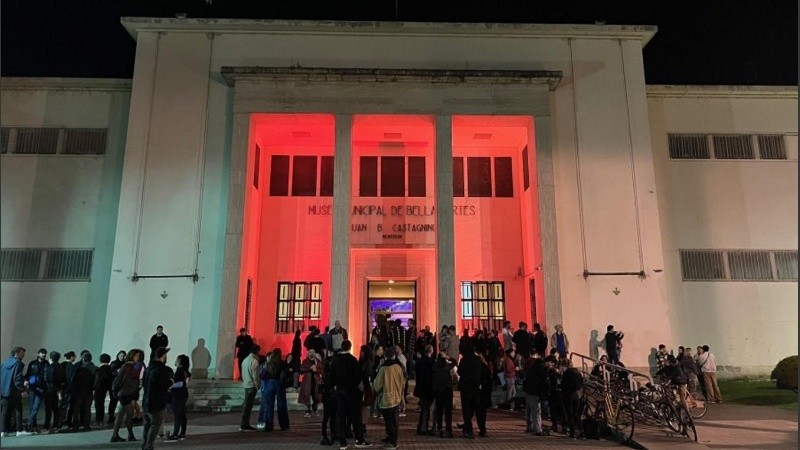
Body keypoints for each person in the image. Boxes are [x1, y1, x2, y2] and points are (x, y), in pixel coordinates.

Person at [329, 340, 369, 449]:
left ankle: (343, 442)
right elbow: (357, 377)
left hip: (340, 392)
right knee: (356, 417)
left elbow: (331, 376)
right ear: (350, 347)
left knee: (341, 417)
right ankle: (359, 439)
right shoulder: (352, 360)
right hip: (351, 392)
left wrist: (334, 386)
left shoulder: (335, 360)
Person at [141, 347, 173, 450]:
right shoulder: (162, 370)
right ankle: (149, 446)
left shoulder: (149, 368)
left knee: (147, 424)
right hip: (156, 401)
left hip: (146, 400)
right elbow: (162, 385)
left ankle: (144, 444)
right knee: (155, 424)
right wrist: (171, 382)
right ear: (163, 356)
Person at [373, 345, 404, 450]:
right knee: (395, 421)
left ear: (385, 357)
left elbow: (377, 385)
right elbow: (402, 383)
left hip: (386, 398)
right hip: (396, 397)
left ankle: (392, 442)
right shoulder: (398, 367)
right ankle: (393, 439)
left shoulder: (384, 368)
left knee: (389, 422)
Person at [110, 349, 142, 443]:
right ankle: (130, 435)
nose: (138, 358)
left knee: (120, 415)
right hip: (125, 393)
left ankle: (115, 436)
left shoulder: (129, 366)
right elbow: (120, 379)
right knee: (130, 414)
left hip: (126, 393)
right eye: (136, 356)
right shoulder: (127, 366)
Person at [1, 347, 30, 437]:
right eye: (22, 353)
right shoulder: (17, 363)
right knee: (18, 410)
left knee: (5, 411)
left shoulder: (4, 362)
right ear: (16, 353)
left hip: (4, 391)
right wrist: (23, 389)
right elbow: (17, 378)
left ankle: (3, 431)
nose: (23, 355)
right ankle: (19, 430)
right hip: (14, 391)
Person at [457, 343, 484, 439]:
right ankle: (481, 429)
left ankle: (468, 430)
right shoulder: (477, 360)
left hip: (466, 387)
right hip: (475, 387)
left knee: (466, 409)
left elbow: (459, 371)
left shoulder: (464, 360)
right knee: (475, 408)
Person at [165, 354, 190, 441]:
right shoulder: (186, 371)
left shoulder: (180, 370)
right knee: (182, 414)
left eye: (177, 359)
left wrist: (170, 386)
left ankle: (175, 434)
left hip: (178, 395)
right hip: (184, 394)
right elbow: (186, 383)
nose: (175, 361)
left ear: (180, 361)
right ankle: (182, 433)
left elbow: (180, 383)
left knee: (177, 415)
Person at [523, 354, 550, 436]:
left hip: (528, 391)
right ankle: (538, 429)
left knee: (529, 411)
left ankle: (529, 427)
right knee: (537, 411)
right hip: (536, 393)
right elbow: (544, 382)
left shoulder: (531, 369)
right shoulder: (543, 370)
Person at [71, 352, 97, 431]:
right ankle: (86, 425)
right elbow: (96, 381)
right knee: (87, 409)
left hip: (79, 391)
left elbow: (73, 380)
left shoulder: (79, 368)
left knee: (77, 409)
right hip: (89, 391)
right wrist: (93, 388)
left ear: (83, 358)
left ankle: (75, 425)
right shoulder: (95, 368)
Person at [432, 352, 455, 438]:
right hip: (447, 390)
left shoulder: (434, 367)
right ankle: (448, 429)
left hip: (438, 390)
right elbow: (455, 362)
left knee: (439, 410)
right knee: (448, 411)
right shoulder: (446, 367)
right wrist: (448, 357)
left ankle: (440, 429)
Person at [24, 348, 48, 433]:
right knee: (31, 407)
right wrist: (26, 381)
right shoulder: (32, 363)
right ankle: (33, 425)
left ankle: (29, 423)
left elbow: (47, 377)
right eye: (42, 353)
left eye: (44, 353)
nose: (43, 354)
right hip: (32, 388)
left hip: (41, 388)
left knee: (36, 407)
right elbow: (28, 373)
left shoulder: (46, 364)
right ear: (38, 354)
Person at [413, 344, 434, 436]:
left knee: (423, 408)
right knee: (426, 409)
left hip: (420, 387)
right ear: (431, 351)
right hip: (427, 388)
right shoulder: (430, 362)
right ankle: (423, 428)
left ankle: (421, 426)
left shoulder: (420, 361)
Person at [239, 344, 261, 431]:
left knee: (246, 405)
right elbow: (255, 376)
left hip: (246, 384)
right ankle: (244, 424)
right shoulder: (254, 361)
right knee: (248, 406)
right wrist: (258, 386)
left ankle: (244, 423)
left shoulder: (245, 360)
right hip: (251, 385)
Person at [560, 359, 584, 439]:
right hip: (576, 395)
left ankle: (572, 432)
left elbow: (563, 384)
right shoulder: (577, 372)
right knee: (576, 414)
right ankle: (581, 431)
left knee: (570, 414)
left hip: (568, 395)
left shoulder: (566, 373)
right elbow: (581, 383)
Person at [319, 349, 337, 446]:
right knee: (329, 416)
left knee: (329, 416)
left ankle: (329, 434)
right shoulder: (327, 375)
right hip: (329, 396)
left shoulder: (326, 374)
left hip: (329, 396)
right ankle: (327, 434)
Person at [43, 351, 64, 434]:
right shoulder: (61, 367)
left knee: (48, 410)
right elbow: (64, 379)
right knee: (56, 409)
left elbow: (48, 379)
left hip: (49, 391)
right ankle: (55, 427)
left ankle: (46, 427)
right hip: (57, 390)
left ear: (51, 358)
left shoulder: (50, 367)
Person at [298, 349, 322, 417]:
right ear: (308, 353)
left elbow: (322, 370)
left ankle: (315, 409)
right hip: (307, 382)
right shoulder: (305, 361)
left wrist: (316, 369)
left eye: (313, 352)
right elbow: (301, 370)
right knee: (307, 396)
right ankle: (308, 411)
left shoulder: (318, 361)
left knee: (316, 396)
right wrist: (309, 368)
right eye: (310, 352)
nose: (311, 353)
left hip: (316, 381)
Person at [93, 353, 113, 427]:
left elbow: (97, 380)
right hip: (106, 388)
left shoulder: (100, 369)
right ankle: (101, 419)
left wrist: (94, 388)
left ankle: (98, 420)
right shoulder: (110, 369)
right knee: (101, 404)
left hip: (99, 389)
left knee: (98, 404)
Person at [107, 350, 126, 425]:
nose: (122, 357)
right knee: (113, 400)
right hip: (114, 384)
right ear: (118, 356)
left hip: (122, 384)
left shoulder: (125, 364)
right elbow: (111, 372)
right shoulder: (114, 363)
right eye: (121, 356)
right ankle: (111, 415)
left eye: (123, 356)